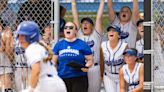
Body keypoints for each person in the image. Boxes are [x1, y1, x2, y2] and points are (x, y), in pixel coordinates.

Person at [16, 21, 67, 92]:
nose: (20, 39)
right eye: (19, 35)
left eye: (23, 35)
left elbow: (36, 70)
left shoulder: (32, 48)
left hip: (47, 85)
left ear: (31, 36)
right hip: (56, 83)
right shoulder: (39, 47)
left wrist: (31, 88)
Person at [71, 0, 104, 92]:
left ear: (92, 26)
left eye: (87, 23)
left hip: (94, 68)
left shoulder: (96, 35)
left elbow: (99, 18)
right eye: (83, 23)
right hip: (81, 67)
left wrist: (102, 2)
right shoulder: (79, 35)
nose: (85, 24)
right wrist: (73, 3)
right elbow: (75, 18)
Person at [52, 21, 93, 92]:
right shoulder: (59, 44)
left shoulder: (82, 44)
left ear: (76, 31)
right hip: (62, 77)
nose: (68, 29)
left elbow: (90, 60)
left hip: (79, 77)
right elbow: (53, 61)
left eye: (71, 28)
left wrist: (86, 66)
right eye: (66, 28)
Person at [101, 25, 128, 92]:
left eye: (114, 31)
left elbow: (128, 63)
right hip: (108, 76)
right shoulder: (103, 45)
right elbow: (101, 62)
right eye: (109, 31)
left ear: (119, 35)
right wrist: (101, 76)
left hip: (121, 76)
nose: (111, 32)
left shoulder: (124, 46)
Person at [0, 26, 14, 91]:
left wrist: (7, 39)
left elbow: (6, 50)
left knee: (6, 88)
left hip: (4, 64)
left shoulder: (5, 34)